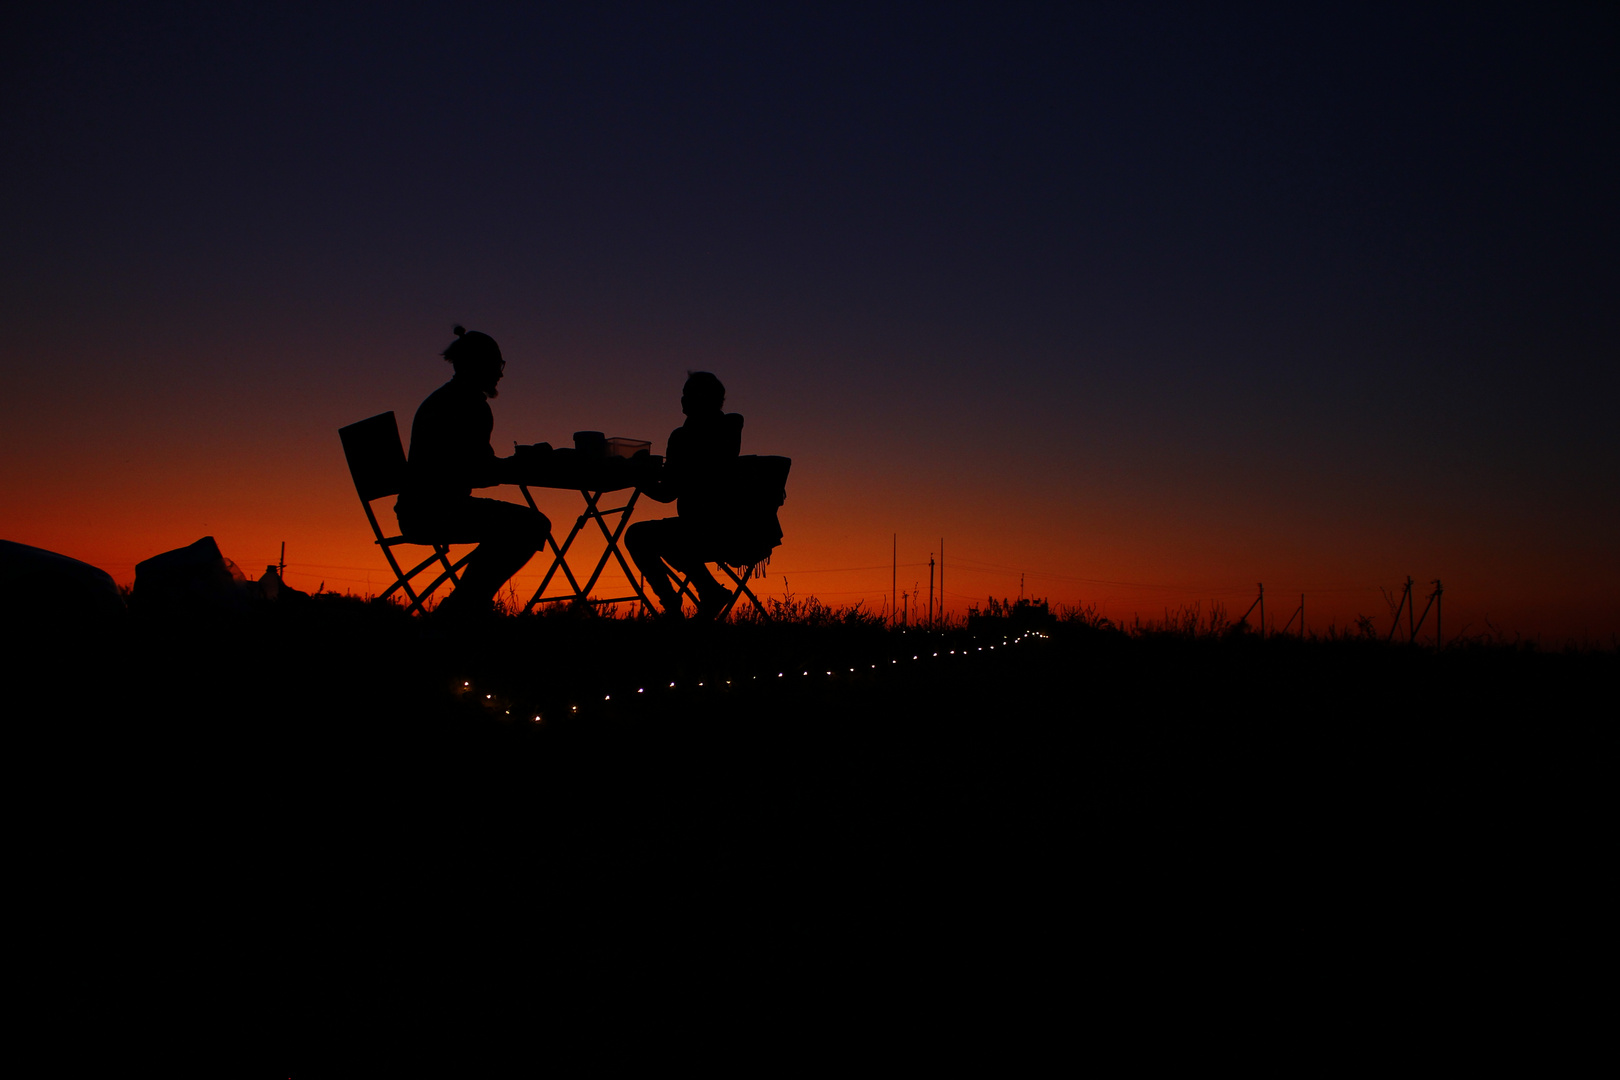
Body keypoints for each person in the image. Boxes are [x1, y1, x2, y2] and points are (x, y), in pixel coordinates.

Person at [395, 326, 550, 617]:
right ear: (477, 364)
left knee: (520, 524)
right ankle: (463, 608)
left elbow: (471, 467)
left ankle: (465, 605)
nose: (500, 374)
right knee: (531, 525)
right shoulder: (469, 404)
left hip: (416, 509)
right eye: (497, 365)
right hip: (435, 512)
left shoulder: (443, 398)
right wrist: (519, 466)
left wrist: (505, 467)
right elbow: (477, 473)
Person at [626, 371, 744, 619]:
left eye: (688, 394)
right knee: (672, 536)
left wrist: (637, 477)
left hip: (703, 530)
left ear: (702, 398)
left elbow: (667, 493)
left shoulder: (683, 437)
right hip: (736, 528)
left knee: (638, 536)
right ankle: (709, 590)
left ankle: (671, 607)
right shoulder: (728, 430)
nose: (682, 400)